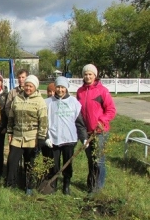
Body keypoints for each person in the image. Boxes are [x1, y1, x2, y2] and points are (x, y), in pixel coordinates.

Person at [76, 64, 116, 194]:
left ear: (95, 75)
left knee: (99, 160)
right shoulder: (80, 92)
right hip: (87, 132)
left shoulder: (102, 91)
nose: (87, 76)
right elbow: (78, 112)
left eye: (90, 74)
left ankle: (98, 188)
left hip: (99, 132)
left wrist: (101, 121)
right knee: (90, 160)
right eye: (85, 74)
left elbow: (111, 110)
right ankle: (91, 184)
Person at [44, 76, 87, 195]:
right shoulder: (48, 102)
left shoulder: (74, 103)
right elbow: (43, 123)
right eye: (58, 87)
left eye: (62, 87)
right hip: (54, 139)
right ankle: (53, 184)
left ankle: (66, 184)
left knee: (68, 163)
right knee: (54, 164)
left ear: (66, 88)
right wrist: (47, 137)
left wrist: (84, 138)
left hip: (69, 139)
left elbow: (80, 124)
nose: (60, 90)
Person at [6, 75, 48, 195]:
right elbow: (11, 117)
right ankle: (11, 184)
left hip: (32, 137)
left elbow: (43, 121)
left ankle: (29, 186)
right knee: (12, 161)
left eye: (31, 86)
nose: (28, 88)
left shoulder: (40, 101)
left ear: (35, 87)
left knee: (30, 162)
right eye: (27, 85)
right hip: (17, 137)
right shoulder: (17, 98)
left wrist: (41, 138)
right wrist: (10, 132)